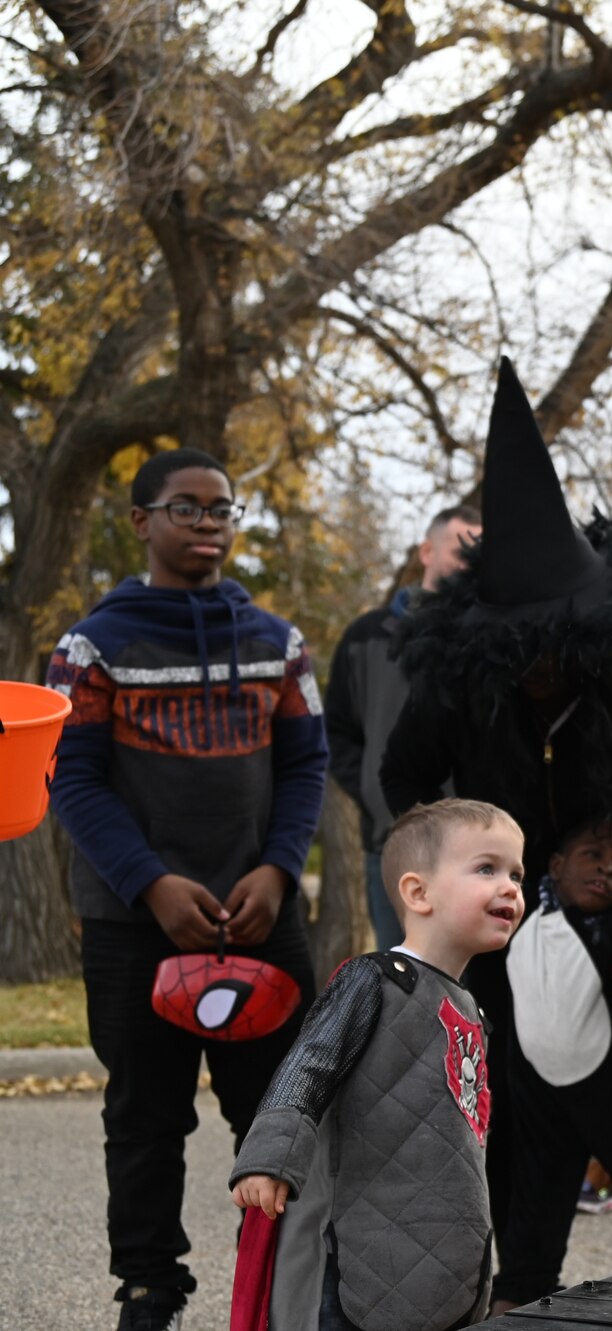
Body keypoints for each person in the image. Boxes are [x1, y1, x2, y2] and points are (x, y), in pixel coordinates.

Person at [380, 361, 612, 1274]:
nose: (552, 660)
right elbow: (402, 780)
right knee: (507, 1109)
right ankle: (521, 1281)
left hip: (605, 914)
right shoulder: (457, 689)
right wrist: (462, 865)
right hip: (496, 927)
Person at [45, 447, 327, 1331]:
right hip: (136, 921)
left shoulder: (276, 643)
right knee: (144, 1115)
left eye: (222, 510)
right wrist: (151, 883)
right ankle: (150, 1288)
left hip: (261, 912)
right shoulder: (91, 646)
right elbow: (72, 776)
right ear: (142, 522)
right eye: (187, 508)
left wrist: (279, 868)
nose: (208, 524)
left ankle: (291, 1281)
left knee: (282, 1109)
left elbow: (307, 763)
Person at [229, 799, 526, 1331]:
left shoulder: (470, 1008)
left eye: (516, 874)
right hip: (361, 1252)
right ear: (418, 892)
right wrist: (269, 1160)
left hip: (447, 1248)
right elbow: (309, 1064)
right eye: (487, 868)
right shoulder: (377, 980)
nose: (510, 887)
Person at [490, 813, 612, 1311]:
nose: (607, 870)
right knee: (534, 1210)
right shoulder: (518, 917)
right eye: (594, 856)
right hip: (537, 1101)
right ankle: (517, 1295)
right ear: (555, 864)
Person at [324, 504, 481, 950]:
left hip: (482, 848)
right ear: (426, 551)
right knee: (404, 988)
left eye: (481, 550)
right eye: (461, 547)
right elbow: (337, 732)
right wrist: (377, 797)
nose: (472, 559)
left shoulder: (492, 640)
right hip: (393, 845)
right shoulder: (367, 637)